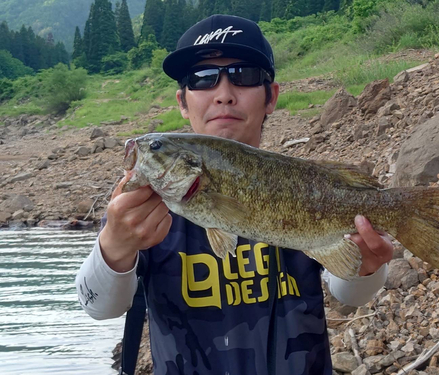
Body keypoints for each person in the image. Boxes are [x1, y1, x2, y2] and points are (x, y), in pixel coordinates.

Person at [76, 14, 393, 375]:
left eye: (243, 76)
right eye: (203, 79)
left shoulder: (305, 183)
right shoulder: (140, 209)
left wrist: (367, 268)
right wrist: (114, 246)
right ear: (183, 101)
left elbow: (348, 293)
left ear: (270, 97)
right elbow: (99, 307)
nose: (224, 94)